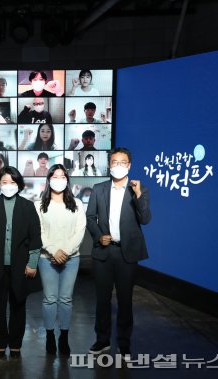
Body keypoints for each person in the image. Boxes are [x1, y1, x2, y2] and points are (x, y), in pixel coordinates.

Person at [86, 147, 151, 360]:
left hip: (127, 254)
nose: (118, 166)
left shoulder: (139, 190)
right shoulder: (99, 188)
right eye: (114, 162)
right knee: (102, 300)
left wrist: (139, 195)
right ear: (109, 165)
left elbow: (145, 219)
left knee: (125, 301)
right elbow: (90, 218)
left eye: (123, 162)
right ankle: (102, 340)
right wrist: (98, 236)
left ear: (129, 165)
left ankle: (124, 344)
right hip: (104, 252)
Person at [0, 166, 42, 359]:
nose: (8, 185)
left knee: (18, 305)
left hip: (20, 266)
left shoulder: (27, 206)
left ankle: (15, 345)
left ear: (19, 184)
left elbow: (35, 237)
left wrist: (32, 263)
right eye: (4, 182)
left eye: (12, 182)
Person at [35, 164, 86, 356]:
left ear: (67, 180)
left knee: (65, 299)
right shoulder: (39, 205)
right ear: (49, 180)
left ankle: (63, 337)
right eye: (55, 176)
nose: (59, 179)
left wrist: (65, 251)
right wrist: (53, 250)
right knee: (49, 299)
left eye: (62, 176)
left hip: (71, 259)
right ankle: (49, 336)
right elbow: (38, 232)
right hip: (46, 259)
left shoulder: (78, 204)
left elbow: (79, 231)